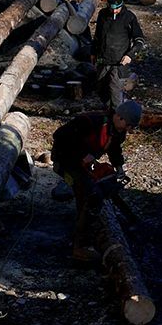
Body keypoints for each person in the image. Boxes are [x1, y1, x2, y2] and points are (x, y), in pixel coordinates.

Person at [51, 100, 142, 255]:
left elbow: (114, 149)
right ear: (120, 117)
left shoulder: (117, 131)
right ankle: (81, 245)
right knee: (90, 193)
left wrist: (119, 167)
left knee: (105, 181)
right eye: (128, 125)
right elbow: (59, 135)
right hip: (66, 160)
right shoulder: (90, 121)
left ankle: (85, 220)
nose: (129, 129)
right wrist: (82, 154)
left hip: (86, 162)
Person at [91, 0, 146, 109]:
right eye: (112, 8)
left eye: (117, 8)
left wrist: (130, 55)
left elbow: (139, 40)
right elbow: (97, 36)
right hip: (103, 59)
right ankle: (109, 115)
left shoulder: (129, 17)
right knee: (101, 89)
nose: (115, 11)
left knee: (115, 92)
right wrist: (93, 52)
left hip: (119, 62)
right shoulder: (102, 15)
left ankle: (118, 118)